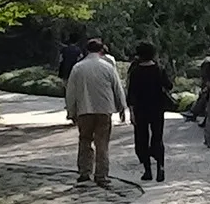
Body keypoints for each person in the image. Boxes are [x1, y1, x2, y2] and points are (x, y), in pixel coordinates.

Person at [63, 38, 126, 187]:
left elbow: (70, 92)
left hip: (84, 110)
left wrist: (71, 111)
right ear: (101, 50)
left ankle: (85, 172)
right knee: (102, 143)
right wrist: (122, 107)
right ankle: (101, 174)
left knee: (85, 141)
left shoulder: (78, 68)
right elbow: (117, 88)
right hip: (104, 109)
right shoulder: (107, 67)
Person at [127, 42, 173, 183]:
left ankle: (147, 170)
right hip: (157, 108)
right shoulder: (159, 69)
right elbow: (169, 86)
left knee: (142, 138)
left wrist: (131, 111)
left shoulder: (135, 71)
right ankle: (161, 167)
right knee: (157, 137)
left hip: (141, 109)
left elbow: (131, 94)